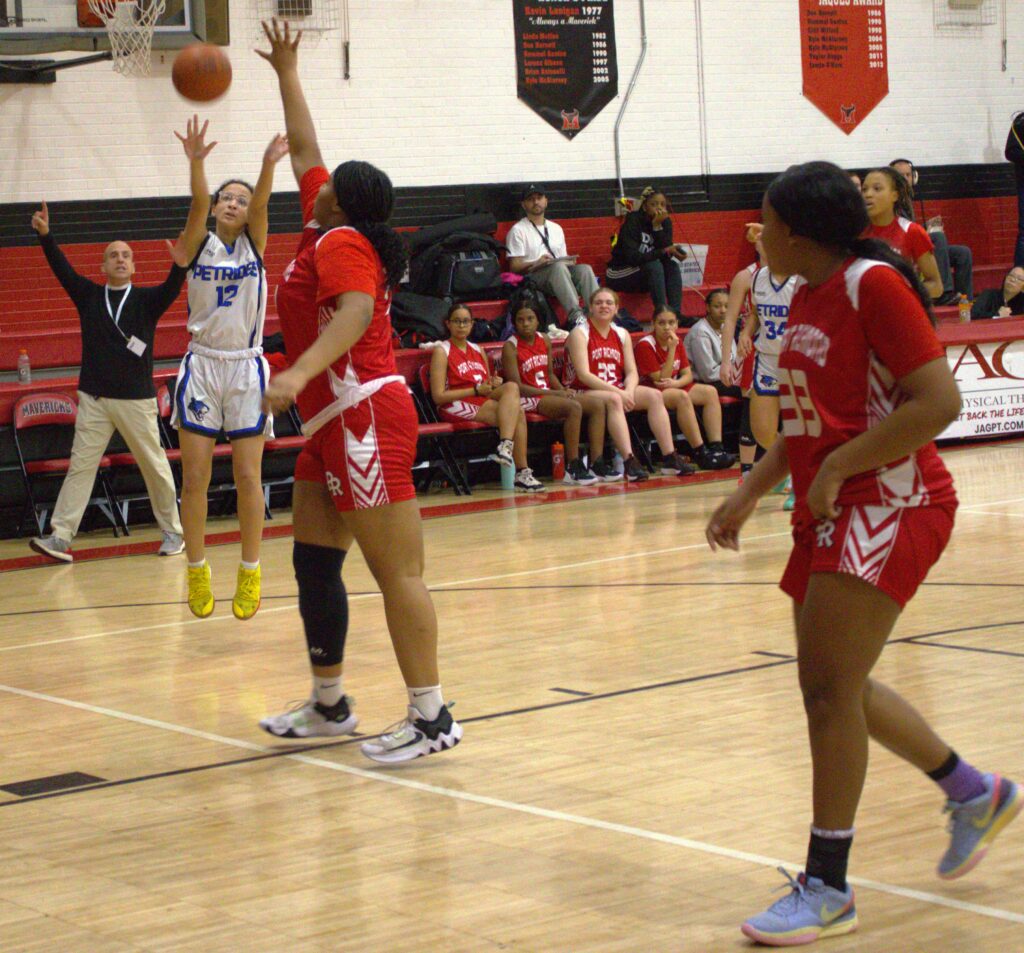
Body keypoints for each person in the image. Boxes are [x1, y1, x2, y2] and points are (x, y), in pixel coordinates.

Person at [707, 160, 1020, 946]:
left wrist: (843, 466)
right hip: (831, 502)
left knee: (827, 689)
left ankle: (829, 885)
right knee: (834, 682)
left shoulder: (873, 286)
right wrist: (751, 487)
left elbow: (939, 402)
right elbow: (816, 418)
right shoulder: (804, 293)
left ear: (799, 230)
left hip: (893, 501)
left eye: (768, 219)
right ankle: (973, 790)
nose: (759, 229)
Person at [255, 19, 462, 762]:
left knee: (395, 569)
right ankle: (329, 702)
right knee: (314, 559)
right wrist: (286, 70)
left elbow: (356, 313)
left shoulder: (343, 242)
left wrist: (301, 370)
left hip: (364, 412)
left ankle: (432, 716)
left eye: (330, 183)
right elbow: (308, 147)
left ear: (342, 203)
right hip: (333, 424)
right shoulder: (327, 223)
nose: (320, 178)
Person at [171, 116, 288, 621]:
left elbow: (262, 204)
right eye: (228, 198)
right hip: (202, 365)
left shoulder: (254, 245)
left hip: (244, 367)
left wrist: (266, 166)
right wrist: (197, 164)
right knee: (194, 478)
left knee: (246, 474)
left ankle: (250, 569)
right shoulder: (199, 241)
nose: (235, 203)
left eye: (241, 199)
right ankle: (196, 570)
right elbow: (198, 203)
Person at [27, 201, 185, 563]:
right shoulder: (89, 297)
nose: (119, 259)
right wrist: (46, 237)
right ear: (102, 266)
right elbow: (62, 271)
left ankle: (173, 533)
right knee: (81, 466)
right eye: (112, 255)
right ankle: (60, 537)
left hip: (135, 400)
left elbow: (173, 288)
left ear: (133, 265)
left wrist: (179, 263)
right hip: (95, 399)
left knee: (154, 465)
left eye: (125, 255)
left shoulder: (146, 301)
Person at [564, 288, 691, 480]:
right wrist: (621, 392)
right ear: (590, 307)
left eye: (609, 303)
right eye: (598, 302)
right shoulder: (580, 333)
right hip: (582, 390)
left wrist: (629, 391)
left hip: (616, 388)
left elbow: (631, 372)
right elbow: (584, 375)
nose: (604, 306)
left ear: (616, 308)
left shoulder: (621, 333)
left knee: (654, 395)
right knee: (615, 399)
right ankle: (629, 460)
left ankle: (669, 457)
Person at [430, 303, 544, 492]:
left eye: (466, 321)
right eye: (457, 321)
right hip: (454, 404)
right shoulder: (442, 351)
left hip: (479, 398)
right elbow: (438, 396)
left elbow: (485, 385)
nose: (461, 325)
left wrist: (492, 383)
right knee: (517, 414)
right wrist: (475, 390)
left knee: (512, 389)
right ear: (448, 324)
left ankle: (508, 451)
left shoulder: (478, 350)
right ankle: (519, 468)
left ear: (472, 324)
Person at [722, 240, 801, 509]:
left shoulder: (803, 277)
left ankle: (800, 481)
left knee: (798, 424)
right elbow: (755, 313)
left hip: (798, 360)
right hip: (767, 359)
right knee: (763, 430)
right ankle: (787, 467)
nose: (762, 243)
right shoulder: (757, 279)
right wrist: (745, 333)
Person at [501, 304, 601, 484]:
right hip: (527, 398)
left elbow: (549, 374)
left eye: (530, 319)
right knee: (574, 407)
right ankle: (573, 465)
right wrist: (555, 393)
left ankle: (597, 462)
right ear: (514, 323)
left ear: (538, 320)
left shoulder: (545, 339)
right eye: (520, 320)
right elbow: (517, 387)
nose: (525, 324)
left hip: (548, 394)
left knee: (597, 405)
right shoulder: (510, 346)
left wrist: (562, 390)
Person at [634, 307, 735, 470]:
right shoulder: (645, 345)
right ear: (653, 324)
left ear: (677, 324)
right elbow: (660, 378)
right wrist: (672, 349)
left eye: (671, 323)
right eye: (661, 323)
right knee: (682, 396)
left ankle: (716, 448)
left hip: (672, 386)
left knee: (710, 392)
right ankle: (700, 452)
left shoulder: (677, 341)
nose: (667, 327)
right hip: (652, 391)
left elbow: (687, 375)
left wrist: (675, 383)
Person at [505, 186, 599, 326]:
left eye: (539, 198)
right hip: (533, 275)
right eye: (531, 199)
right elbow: (514, 267)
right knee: (558, 268)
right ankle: (576, 315)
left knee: (584, 269)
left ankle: (597, 312)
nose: (536, 202)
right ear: (524, 205)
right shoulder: (518, 230)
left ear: (546, 201)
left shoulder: (556, 228)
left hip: (558, 271)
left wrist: (569, 261)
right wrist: (536, 262)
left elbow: (562, 259)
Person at [890, 159, 973, 305]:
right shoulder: (891, 200)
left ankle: (965, 301)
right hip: (901, 250)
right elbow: (896, 232)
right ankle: (943, 293)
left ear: (914, 177)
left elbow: (909, 228)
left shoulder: (908, 199)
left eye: (908, 175)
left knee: (962, 253)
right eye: (900, 175)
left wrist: (926, 227)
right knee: (937, 237)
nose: (905, 179)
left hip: (913, 244)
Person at [862, 167, 943, 301]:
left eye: (877, 189)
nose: (868, 194)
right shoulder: (855, 232)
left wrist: (901, 292)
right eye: (864, 189)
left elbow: (936, 286)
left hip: (899, 312)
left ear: (895, 195)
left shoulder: (912, 231)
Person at [606, 187, 688, 315]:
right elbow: (632, 258)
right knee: (653, 266)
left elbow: (665, 257)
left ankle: (676, 315)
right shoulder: (633, 221)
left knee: (672, 266)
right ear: (644, 207)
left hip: (647, 275)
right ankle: (662, 315)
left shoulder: (665, 222)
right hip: (620, 272)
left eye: (662, 204)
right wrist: (663, 251)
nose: (659, 208)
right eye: (653, 204)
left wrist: (657, 228)